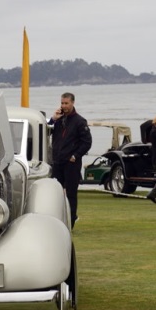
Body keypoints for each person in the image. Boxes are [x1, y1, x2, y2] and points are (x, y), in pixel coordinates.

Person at [49, 92, 93, 227]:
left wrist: (75, 156)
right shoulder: (59, 120)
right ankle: (56, 219)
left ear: (72, 103)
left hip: (71, 163)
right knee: (55, 192)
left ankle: (71, 221)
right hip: (57, 161)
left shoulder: (80, 121)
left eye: (66, 103)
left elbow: (87, 142)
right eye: (62, 103)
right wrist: (53, 119)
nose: (64, 106)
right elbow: (45, 131)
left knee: (71, 193)